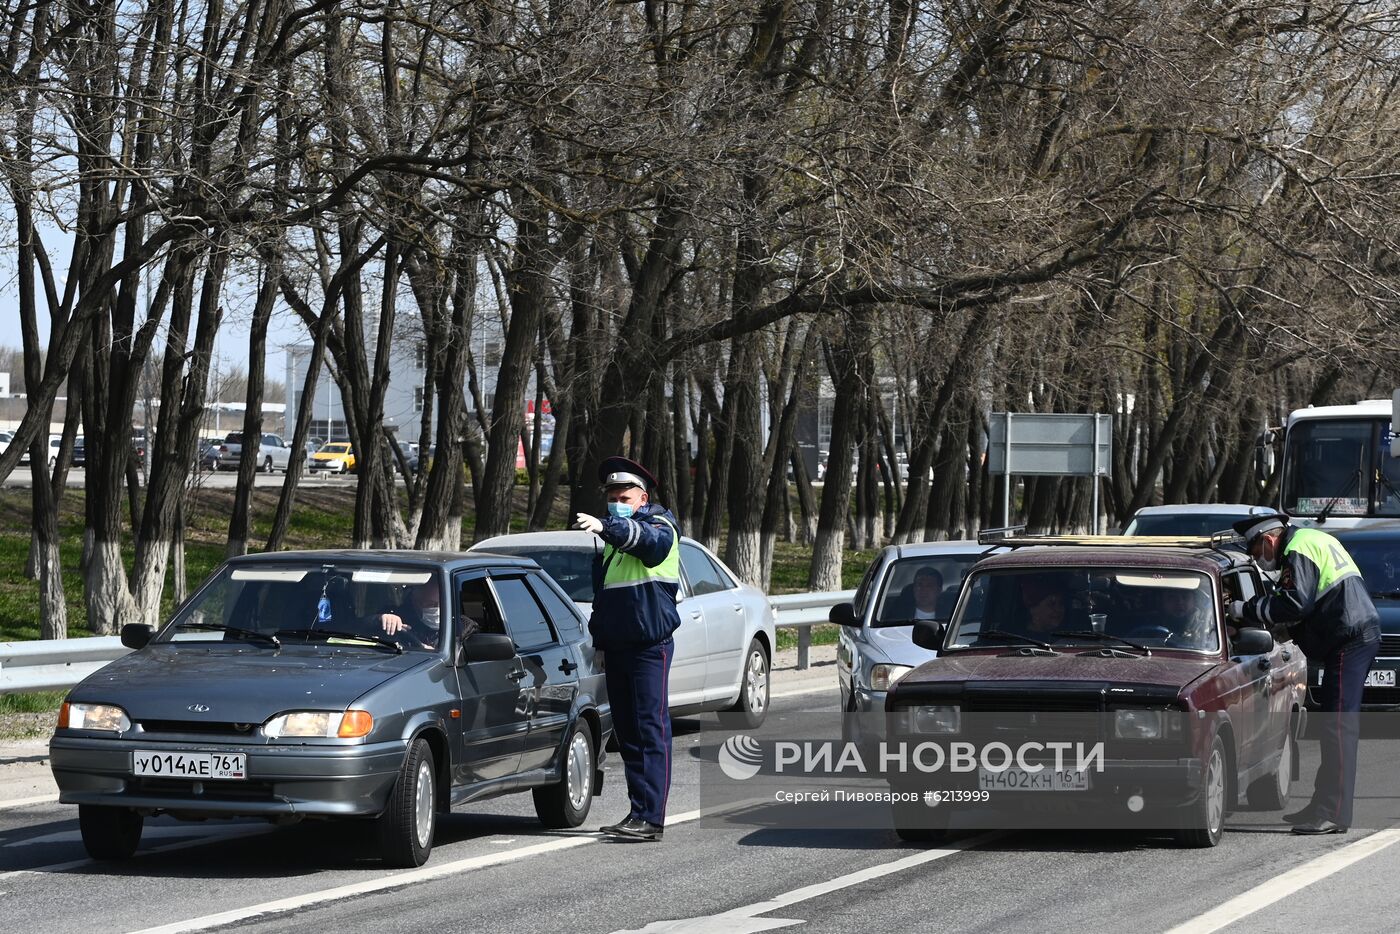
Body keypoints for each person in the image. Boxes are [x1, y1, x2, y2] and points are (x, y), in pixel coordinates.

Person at [1229, 514, 1381, 834]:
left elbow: (1295, 603)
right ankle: (1322, 804)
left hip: (1348, 638)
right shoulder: (1311, 540)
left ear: (1268, 540)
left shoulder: (1298, 549)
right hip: (1351, 633)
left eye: (1256, 551)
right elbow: (1310, 602)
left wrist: (1246, 609)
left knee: (1338, 728)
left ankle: (1333, 813)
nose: (1258, 559)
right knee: (1332, 726)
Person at [574, 455, 682, 842]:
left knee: (650, 730)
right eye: (611, 498)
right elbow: (606, 599)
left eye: (624, 497)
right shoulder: (613, 545)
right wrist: (601, 643)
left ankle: (651, 818)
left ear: (642, 498)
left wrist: (608, 525)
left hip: (649, 645)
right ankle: (638, 813)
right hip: (619, 647)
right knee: (629, 733)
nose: (616, 503)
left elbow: (649, 545)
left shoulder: (659, 526)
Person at [375, 580, 442, 649]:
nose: (437, 608)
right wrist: (380, 619)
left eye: (442, 603)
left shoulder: (448, 624)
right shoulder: (397, 617)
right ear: (415, 601)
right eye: (430, 604)